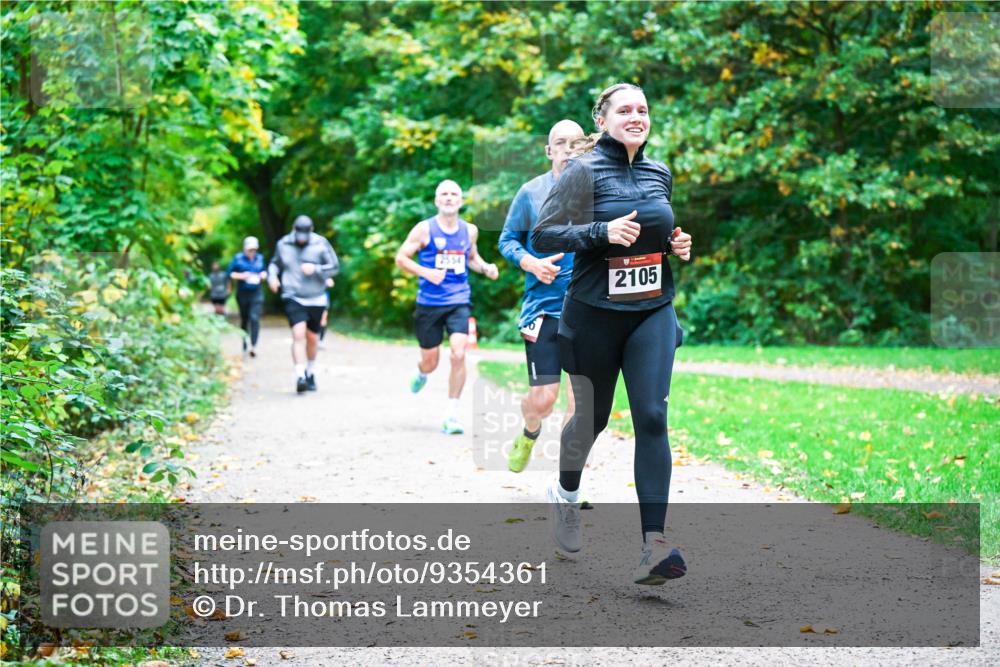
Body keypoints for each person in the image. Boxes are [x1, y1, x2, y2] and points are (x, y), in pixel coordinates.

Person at [531, 83, 694, 585]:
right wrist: (601, 232)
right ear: (602, 120)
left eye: (643, 109)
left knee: (652, 416)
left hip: (652, 310)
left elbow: (653, 233)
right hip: (593, 314)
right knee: (591, 420)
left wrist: (674, 244)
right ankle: (565, 494)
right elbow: (543, 234)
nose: (636, 116)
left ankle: (654, 545)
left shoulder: (658, 171)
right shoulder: (582, 171)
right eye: (625, 110)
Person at [497, 120, 586, 473]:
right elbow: (507, 240)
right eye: (560, 143)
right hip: (544, 309)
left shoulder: (599, 193)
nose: (568, 149)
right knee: (544, 400)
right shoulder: (530, 193)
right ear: (549, 151)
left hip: (586, 311)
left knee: (580, 401)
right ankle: (529, 430)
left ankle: (568, 479)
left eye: (575, 143)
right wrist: (531, 263)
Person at [395, 179, 499, 434]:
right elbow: (401, 258)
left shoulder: (470, 231)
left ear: (461, 201)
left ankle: (451, 415)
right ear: (436, 200)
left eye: (454, 194)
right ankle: (422, 372)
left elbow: (471, 258)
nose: (449, 197)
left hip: (458, 300)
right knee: (431, 362)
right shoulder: (424, 229)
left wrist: (485, 268)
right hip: (429, 303)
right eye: (444, 194)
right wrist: (426, 272)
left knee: (458, 354)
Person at [267, 216, 340, 394]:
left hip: (316, 297)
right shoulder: (283, 244)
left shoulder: (320, 243)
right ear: (294, 229)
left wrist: (316, 269)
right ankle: (300, 375)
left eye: (305, 235)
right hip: (293, 295)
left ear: (311, 231)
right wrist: (272, 277)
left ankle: (310, 372)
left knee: (312, 338)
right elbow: (274, 264)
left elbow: (334, 267)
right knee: (298, 334)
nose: (301, 239)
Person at [227, 237, 267, 356]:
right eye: (250, 250)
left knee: (254, 317)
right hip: (243, 293)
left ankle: (253, 345)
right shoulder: (238, 258)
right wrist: (242, 276)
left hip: (256, 292)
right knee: (245, 319)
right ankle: (245, 342)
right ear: (245, 249)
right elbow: (230, 274)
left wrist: (263, 275)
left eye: (254, 250)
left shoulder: (260, 258)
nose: (252, 252)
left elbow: (264, 271)